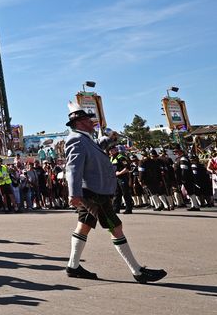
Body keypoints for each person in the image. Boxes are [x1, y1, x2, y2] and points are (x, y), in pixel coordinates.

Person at [63, 107, 166, 283]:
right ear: (79, 123)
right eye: (88, 120)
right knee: (115, 227)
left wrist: (108, 139)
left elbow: (95, 149)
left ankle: (73, 266)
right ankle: (138, 271)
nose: (92, 122)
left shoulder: (85, 139)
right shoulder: (76, 140)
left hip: (93, 191)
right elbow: (73, 168)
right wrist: (73, 193)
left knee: (84, 226)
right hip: (93, 193)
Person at [108, 145, 133, 214]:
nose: (110, 152)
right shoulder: (111, 158)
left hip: (122, 177)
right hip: (115, 178)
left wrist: (119, 173)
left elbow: (127, 168)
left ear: (115, 150)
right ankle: (116, 209)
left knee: (126, 193)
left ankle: (128, 209)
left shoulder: (121, 157)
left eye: (112, 150)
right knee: (117, 194)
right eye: (109, 150)